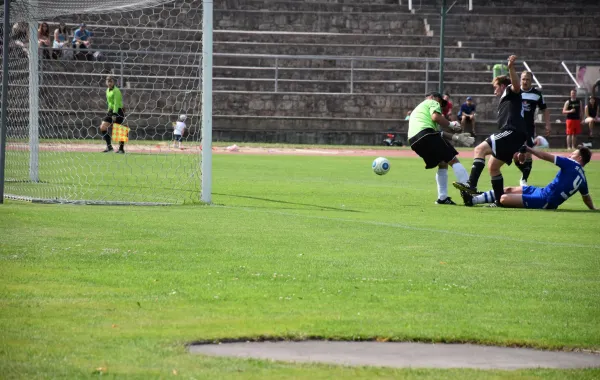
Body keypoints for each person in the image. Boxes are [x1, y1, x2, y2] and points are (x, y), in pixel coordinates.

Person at [453, 55, 527, 207]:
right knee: (493, 167)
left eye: (495, 87)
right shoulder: (507, 99)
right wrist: (520, 148)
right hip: (514, 135)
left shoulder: (510, 90)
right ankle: (499, 201)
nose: (494, 90)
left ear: (502, 85)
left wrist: (511, 68)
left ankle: (471, 185)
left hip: (512, 132)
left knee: (479, 149)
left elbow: (516, 85)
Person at [460, 146, 596, 211]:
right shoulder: (583, 177)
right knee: (507, 189)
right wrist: (594, 209)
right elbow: (586, 198)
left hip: (545, 201)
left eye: (573, 154)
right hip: (543, 192)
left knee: (502, 198)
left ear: (579, 158)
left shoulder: (570, 163)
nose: (570, 155)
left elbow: (545, 156)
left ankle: (479, 201)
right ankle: (472, 200)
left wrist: (530, 150)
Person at [407, 91, 474, 205]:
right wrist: (451, 125)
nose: (441, 106)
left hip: (414, 141)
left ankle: (442, 198)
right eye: (441, 102)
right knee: (453, 159)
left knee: (442, 162)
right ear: (434, 97)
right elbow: (436, 117)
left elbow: (437, 133)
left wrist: (456, 137)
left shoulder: (420, 109)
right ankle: (469, 189)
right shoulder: (432, 102)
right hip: (425, 134)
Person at [514, 71, 551, 186]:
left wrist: (547, 124)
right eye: (523, 79)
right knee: (516, 156)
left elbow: (544, 109)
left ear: (531, 81)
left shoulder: (537, 94)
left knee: (528, 153)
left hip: (529, 128)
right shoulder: (514, 91)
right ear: (520, 80)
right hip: (514, 127)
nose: (525, 82)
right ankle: (525, 170)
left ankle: (524, 179)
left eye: (527, 79)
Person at [100, 77, 126, 153]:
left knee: (119, 129)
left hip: (118, 111)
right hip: (111, 111)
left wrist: (114, 113)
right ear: (106, 82)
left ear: (114, 82)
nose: (109, 83)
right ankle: (109, 147)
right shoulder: (107, 91)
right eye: (108, 81)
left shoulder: (116, 91)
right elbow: (109, 103)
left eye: (111, 81)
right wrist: (109, 112)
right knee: (102, 127)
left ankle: (121, 149)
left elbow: (116, 103)